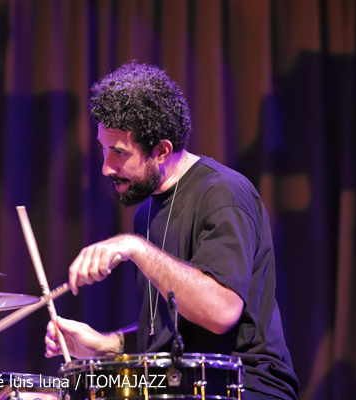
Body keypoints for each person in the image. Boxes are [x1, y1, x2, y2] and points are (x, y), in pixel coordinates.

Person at [44, 62, 299, 400]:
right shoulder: (146, 212)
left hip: (244, 384)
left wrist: (135, 247)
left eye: (119, 153)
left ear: (162, 151)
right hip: (178, 381)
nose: (106, 167)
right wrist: (107, 345)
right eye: (104, 149)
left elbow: (220, 313)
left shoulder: (223, 194)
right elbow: (170, 334)